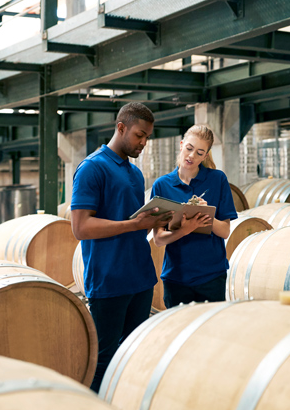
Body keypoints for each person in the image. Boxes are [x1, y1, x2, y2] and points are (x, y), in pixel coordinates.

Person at [70, 103, 172, 393]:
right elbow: (81, 228)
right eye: (140, 135)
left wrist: (167, 219)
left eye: (148, 137)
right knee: (103, 359)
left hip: (140, 278)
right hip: (108, 280)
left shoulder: (135, 174)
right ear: (121, 127)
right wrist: (135, 225)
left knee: (132, 354)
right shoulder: (92, 168)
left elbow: (135, 219)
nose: (143, 143)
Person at [151, 125, 238, 308]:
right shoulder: (162, 186)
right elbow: (158, 239)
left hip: (212, 276)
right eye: (189, 149)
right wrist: (184, 230)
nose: (191, 156)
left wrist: (207, 216)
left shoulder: (217, 179)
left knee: (210, 333)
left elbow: (225, 231)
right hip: (176, 278)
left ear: (205, 156)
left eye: (199, 153)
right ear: (181, 145)